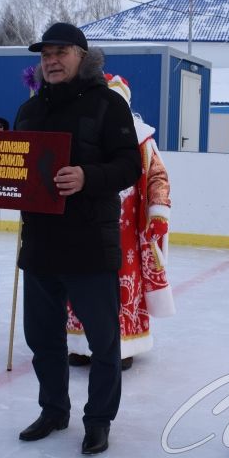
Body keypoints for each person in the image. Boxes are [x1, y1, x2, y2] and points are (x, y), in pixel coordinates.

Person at [0, 22, 140, 456]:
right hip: (40, 246)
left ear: (82, 57)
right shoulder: (29, 111)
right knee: (42, 337)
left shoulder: (108, 105)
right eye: (45, 55)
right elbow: (16, 173)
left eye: (61, 53)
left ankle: (98, 420)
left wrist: (88, 176)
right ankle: (54, 409)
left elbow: (130, 166)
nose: (51, 61)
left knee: (103, 340)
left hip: (90, 244)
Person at [66, 74, 175, 372]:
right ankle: (80, 342)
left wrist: (158, 211)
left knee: (120, 282)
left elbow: (157, 177)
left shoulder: (141, 139)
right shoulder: (82, 135)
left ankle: (123, 343)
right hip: (85, 221)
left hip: (125, 228)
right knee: (83, 279)